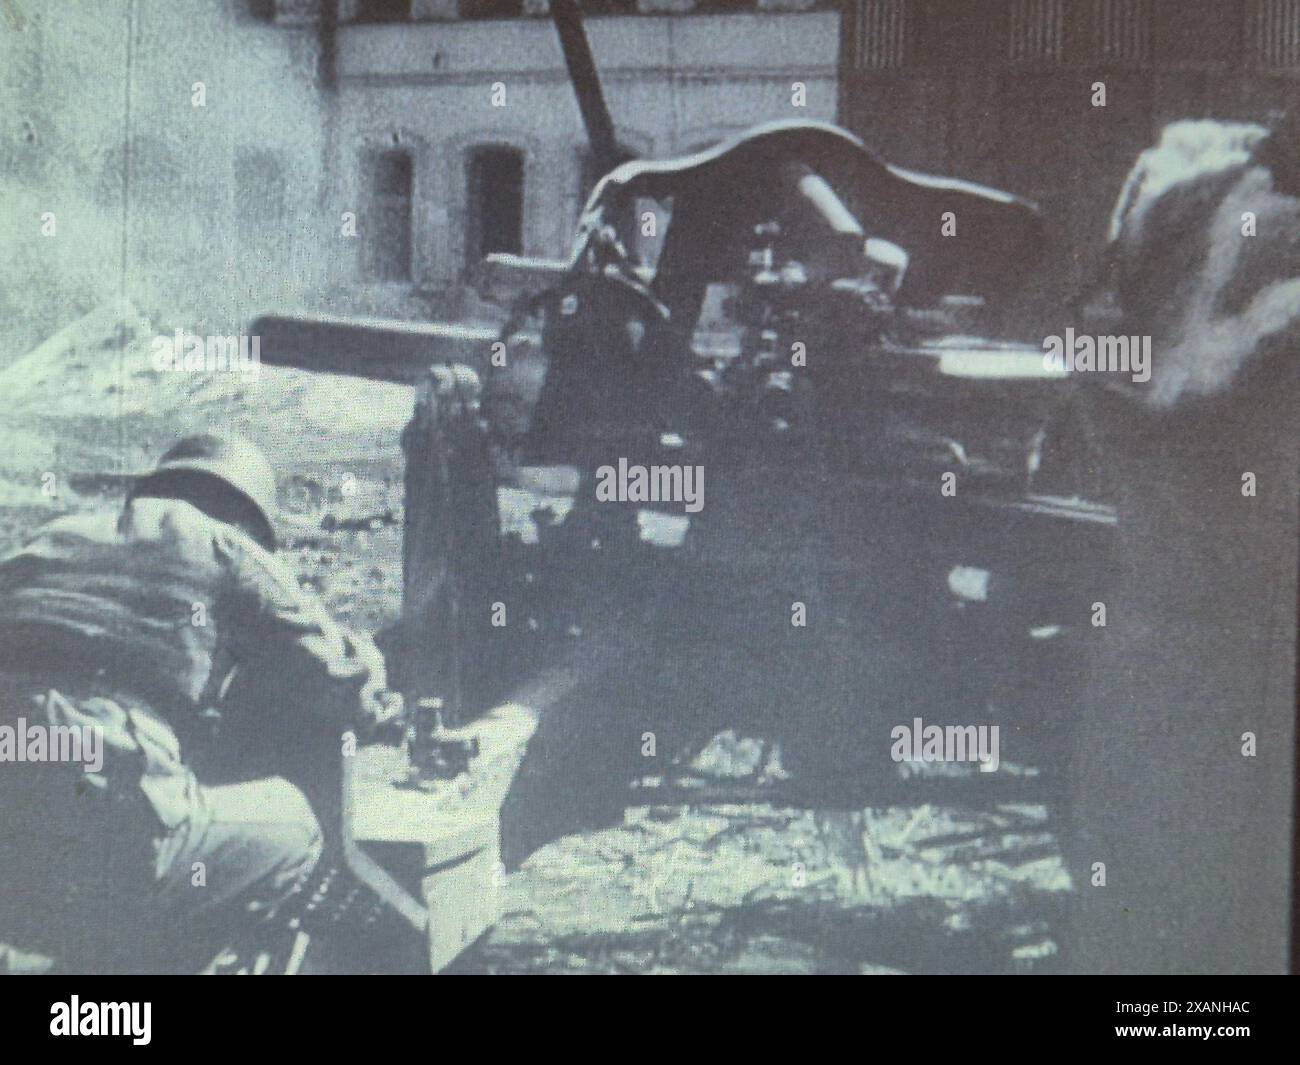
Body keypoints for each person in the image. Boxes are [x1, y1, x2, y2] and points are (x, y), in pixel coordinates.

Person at [0, 432, 396, 973]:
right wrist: (372, 678)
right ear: (247, 518)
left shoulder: (47, 541)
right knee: (293, 823)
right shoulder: (223, 543)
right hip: (107, 821)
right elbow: (341, 677)